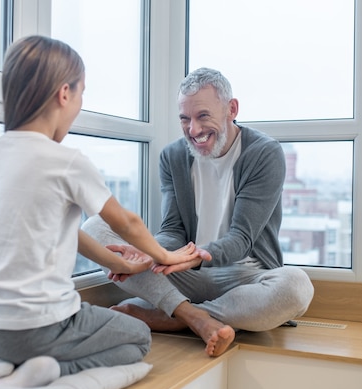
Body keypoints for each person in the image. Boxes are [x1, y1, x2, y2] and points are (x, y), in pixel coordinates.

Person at [0, 35, 207, 389]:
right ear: (64, 94)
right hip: (34, 328)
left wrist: (121, 264)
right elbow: (126, 222)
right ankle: (40, 373)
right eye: (81, 93)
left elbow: (64, 231)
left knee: (10, 336)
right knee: (138, 337)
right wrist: (164, 254)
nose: (79, 104)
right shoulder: (66, 161)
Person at [82, 67, 315, 358]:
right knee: (94, 228)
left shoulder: (264, 153)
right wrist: (150, 250)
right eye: (185, 119)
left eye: (203, 116)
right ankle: (196, 318)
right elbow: (172, 230)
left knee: (296, 288)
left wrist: (185, 257)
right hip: (185, 272)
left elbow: (241, 239)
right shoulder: (173, 156)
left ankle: (173, 316)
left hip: (242, 277)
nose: (193, 130)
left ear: (232, 109)